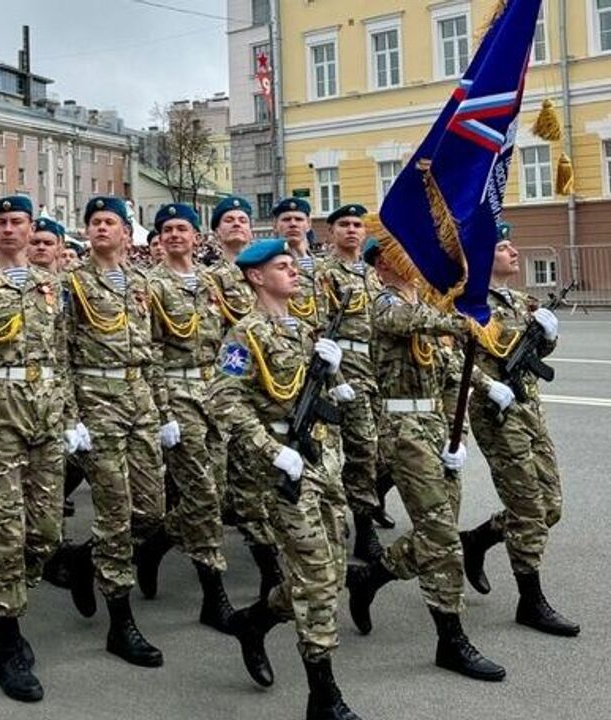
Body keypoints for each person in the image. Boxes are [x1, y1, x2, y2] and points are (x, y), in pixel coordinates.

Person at [207, 239, 360, 720]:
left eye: (294, 265)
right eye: (282, 266)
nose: (294, 272)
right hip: (283, 470)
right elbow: (224, 401)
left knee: (330, 575)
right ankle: (323, 695)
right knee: (316, 580)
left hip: (324, 462)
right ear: (256, 277)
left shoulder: (307, 330)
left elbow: (315, 395)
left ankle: (254, 622)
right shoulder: (244, 336)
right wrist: (273, 452)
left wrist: (334, 375)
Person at [345, 239, 507, 682]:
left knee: (436, 533)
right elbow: (409, 322)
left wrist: (482, 392)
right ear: (381, 265)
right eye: (399, 255)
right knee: (442, 536)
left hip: (438, 427)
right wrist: (460, 319)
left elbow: (452, 366)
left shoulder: (430, 309)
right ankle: (450, 640)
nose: (411, 260)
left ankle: (371, 577)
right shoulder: (383, 304)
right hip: (405, 432)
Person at [0, 194, 68, 701]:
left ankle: (4, 602)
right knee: (6, 530)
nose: (7, 229)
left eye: (16, 221)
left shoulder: (52, 286)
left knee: (44, 532)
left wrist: (70, 415)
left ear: (31, 227)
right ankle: (7, 633)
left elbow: (60, 353)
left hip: (47, 418)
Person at [460, 223, 580, 637]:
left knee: (550, 507)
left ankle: (476, 540)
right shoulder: (470, 303)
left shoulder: (519, 300)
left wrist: (547, 334)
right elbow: (453, 358)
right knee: (529, 509)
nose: (514, 252)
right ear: (482, 256)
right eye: (504, 246)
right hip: (497, 413)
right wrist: (486, 385)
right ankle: (530, 600)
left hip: (529, 408)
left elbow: (536, 353)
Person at [62, 195, 164, 668]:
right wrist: (71, 416)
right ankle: (120, 622)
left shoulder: (143, 283)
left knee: (151, 509)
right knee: (115, 511)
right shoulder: (71, 285)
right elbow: (59, 352)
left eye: (111, 222)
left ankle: (85, 560)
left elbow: (155, 348)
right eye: (94, 222)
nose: (102, 228)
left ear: (127, 232)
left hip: (140, 399)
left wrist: (163, 410)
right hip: (97, 402)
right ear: (87, 233)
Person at [136, 203, 235, 632]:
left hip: (216, 392)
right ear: (159, 240)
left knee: (219, 488)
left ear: (197, 237)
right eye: (167, 230)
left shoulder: (213, 283)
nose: (175, 235)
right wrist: (162, 410)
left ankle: (155, 545)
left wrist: (234, 385)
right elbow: (149, 350)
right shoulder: (150, 286)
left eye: (183, 228)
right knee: (203, 492)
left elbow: (233, 336)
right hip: (178, 395)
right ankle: (214, 594)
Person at [205, 197, 282, 599]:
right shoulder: (209, 279)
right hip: (231, 384)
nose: (236, 224)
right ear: (217, 232)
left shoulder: (274, 272)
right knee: (232, 482)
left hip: (272, 387)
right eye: (228, 220)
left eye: (242, 219)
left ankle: (272, 557)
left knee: (263, 477)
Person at [316, 204, 385, 562]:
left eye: (358, 224)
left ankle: (358, 513)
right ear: (331, 233)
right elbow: (318, 330)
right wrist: (336, 378)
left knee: (373, 450)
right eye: (343, 224)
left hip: (374, 367)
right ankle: (363, 527)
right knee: (359, 448)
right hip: (345, 369)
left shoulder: (372, 275)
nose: (352, 230)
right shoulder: (323, 274)